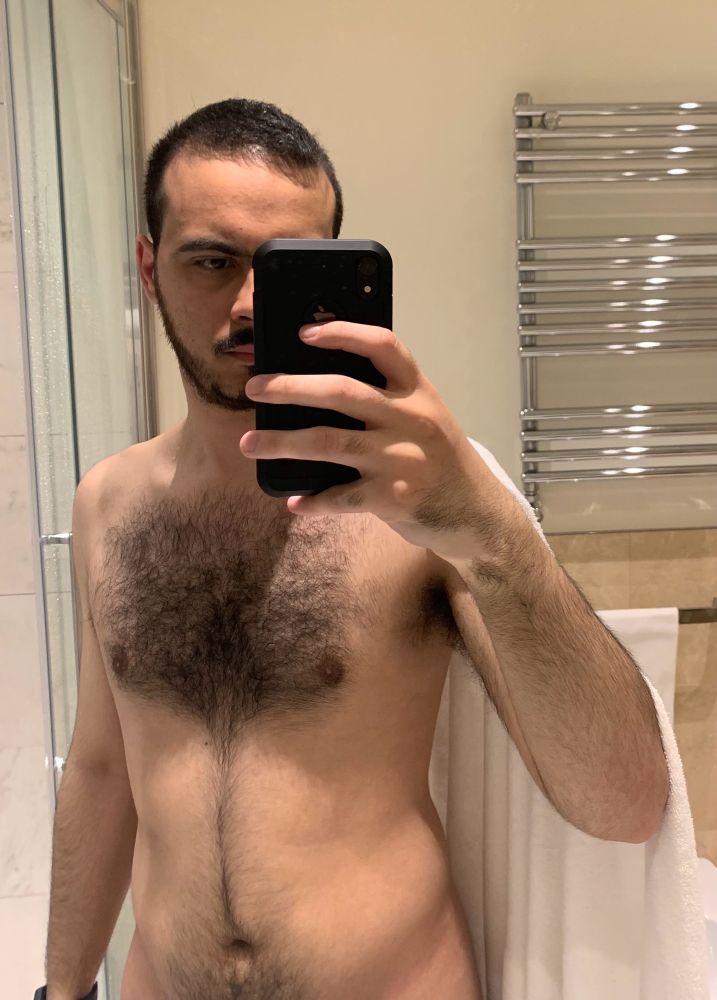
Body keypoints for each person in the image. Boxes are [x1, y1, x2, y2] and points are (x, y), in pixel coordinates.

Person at [41, 98, 669, 1000]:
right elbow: (103, 773)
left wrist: (489, 530)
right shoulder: (107, 504)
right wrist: (59, 989)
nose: (249, 304)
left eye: (284, 267)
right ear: (149, 268)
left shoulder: (425, 508)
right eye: (212, 261)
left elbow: (623, 803)